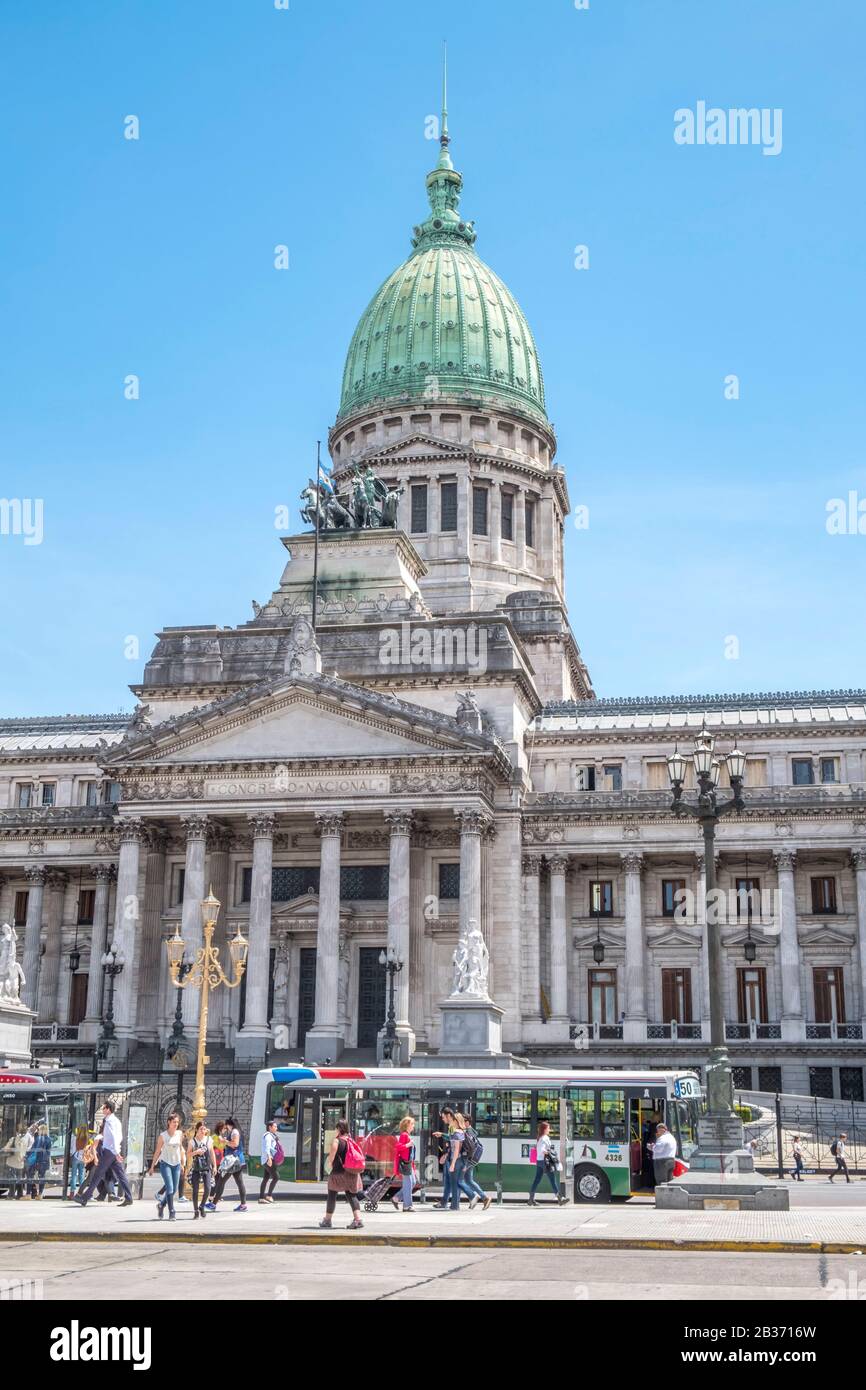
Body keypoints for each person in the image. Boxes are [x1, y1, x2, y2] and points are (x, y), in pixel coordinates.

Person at [74, 1101, 133, 1207]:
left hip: (109, 1152)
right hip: (113, 1151)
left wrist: (116, 1152)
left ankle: (84, 1198)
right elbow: (119, 1137)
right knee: (120, 1175)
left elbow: (114, 1138)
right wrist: (117, 1152)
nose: (102, 1109)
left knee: (97, 1174)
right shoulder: (116, 1121)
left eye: (104, 1108)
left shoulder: (110, 1121)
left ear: (108, 1109)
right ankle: (129, 1197)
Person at [319, 1118, 363, 1230]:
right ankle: (358, 1220)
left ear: (339, 1129)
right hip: (351, 1172)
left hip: (338, 1173)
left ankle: (327, 1220)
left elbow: (331, 1158)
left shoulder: (337, 1141)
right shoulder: (350, 1140)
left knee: (332, 1194)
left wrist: (328, 1163)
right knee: (351, 1195)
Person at [149, 1111, 185, 1220]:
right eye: (174, 1122)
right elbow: (157, 1152)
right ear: (169, 1122)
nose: (176, 1124)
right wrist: (152, 1167)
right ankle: (172, 1212)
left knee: (174, 1190)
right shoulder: (163, 1136)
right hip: (165, 1164)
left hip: (177, 1164)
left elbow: (180, 1148)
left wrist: (183, 1163)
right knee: (169, 1188)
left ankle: (161, 1205)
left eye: (177, 1122)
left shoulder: (179, 1134)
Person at [208, 1117, 248, 1211]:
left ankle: (213, 1204)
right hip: (238, 1160)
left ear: (230, 1125)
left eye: (227, 1125)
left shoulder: (234, 1132)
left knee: (221, 1181)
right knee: (240, 1183)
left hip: (232, 1161)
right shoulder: (237, 1131)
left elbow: (235, 1144)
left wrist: (225, 1141)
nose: (226, 1128)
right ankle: (243, 1205)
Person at [456, 1112, 491, 1210]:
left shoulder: (468, 1132)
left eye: (462, 1121)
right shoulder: (471, 1131)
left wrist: (465, 1164)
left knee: (460, 1180)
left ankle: (474, 1197)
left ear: (467, 1122)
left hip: (468, 1160)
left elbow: (469, 1148)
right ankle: (483, 1198)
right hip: (472, 1160)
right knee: (469, 1180)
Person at [529, 1120, 565, 1205]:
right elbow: (542, 1150)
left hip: (539, 1161)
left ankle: (531, 1199)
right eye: (548, 1128)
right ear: (544, 1129)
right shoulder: (544, 1138)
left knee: (537, 1180)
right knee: (552, 1179)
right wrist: (549, 1152)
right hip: (545, 1162)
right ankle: (560, 1199)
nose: (549, 1130)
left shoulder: (540, 1138)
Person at [187, 1122, 216, 1218]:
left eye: (204, 1129)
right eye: (201, 1129)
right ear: (197, 1130)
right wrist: (196, 1152)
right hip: (196, 1168)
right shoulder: (192, 1141)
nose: (203, 1131)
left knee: (208, 1188)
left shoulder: (209, 1140)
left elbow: (212, 1153)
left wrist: (214, 1166)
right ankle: (196, 1210)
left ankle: (202, 1206)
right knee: (195, 1190)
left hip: (207, 1167)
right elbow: (188, 1154)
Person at [394, 1116, 417, 1212]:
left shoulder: (406, 1135)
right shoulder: (404, 1135)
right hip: (405, 1163)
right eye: (412, 1124)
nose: (413, 1126)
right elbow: (398, 1147)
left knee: (413, 1182)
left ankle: (396, 1198)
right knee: (408, 1184)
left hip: (408, 1163)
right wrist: (408, 1145)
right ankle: (407, 1206)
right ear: (407, 1125)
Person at [25, 1122, 52, 1199]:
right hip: (44, 1161)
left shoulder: (38, 1138)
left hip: (36, 1161)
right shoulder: (49, 1139)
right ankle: (40, 1194)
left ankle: (28, 1194)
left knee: (30, 1176)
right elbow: (48, 1152)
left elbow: (33, 1149)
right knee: (42, 1177)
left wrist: (26, 1155)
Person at [259, 1118, 281, 1203]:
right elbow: (267, 1148)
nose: (276, 1128)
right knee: (276, 1177)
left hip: (266, 1159)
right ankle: (269, 1195)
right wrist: (269, 1158)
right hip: (269, 1159)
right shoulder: (268, 1136)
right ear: (270, 1127)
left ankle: (261, 1198)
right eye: (275, 1126)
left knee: (266, 1178)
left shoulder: (270, 1135)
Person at [650, 1121, 677, 1187]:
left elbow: (658, 1149)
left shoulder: (662, 1138)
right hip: (671, 1161)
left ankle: (662, 1196)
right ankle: (670, 1195)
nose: (657, 1132)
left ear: (661, 1129)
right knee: (669, 1181)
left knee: (661, 1182)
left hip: (662, 1162)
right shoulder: (671, 1137)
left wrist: (651, 1147)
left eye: (658, 1130)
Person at [431, 1126, 453, 1208]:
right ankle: (444, 1202)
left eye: (443, 1117)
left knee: (457, 1182)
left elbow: (454, 1139)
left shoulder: (455, 1126)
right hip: (448, 1156)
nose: (442, 1119)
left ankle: (474, 1196)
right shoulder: (451, 1126)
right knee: (447, 1182)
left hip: (451, 1158)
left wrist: (442, 1134)